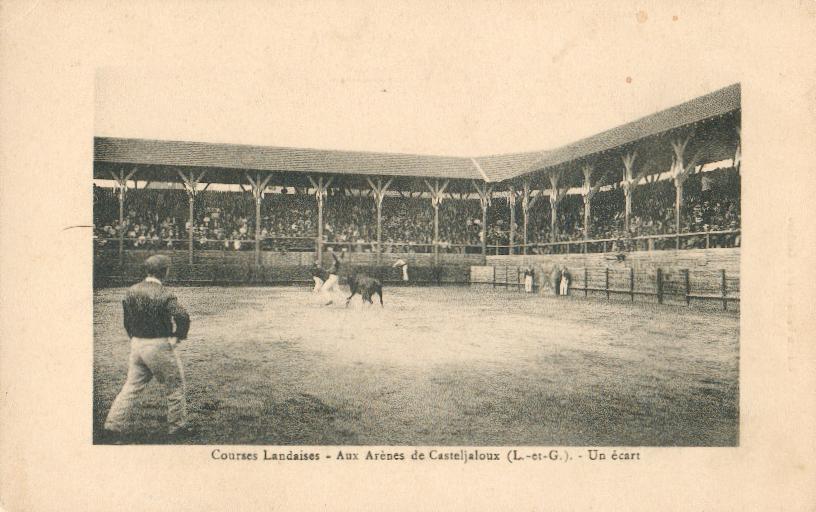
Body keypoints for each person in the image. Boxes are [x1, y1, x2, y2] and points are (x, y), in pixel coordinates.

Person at [103, 255, 193, 440]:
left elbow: (127, 321)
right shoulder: (164, 293)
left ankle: (112, 426)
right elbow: (182, 316)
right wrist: (178, 336)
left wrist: (134, 337)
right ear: (164, 272)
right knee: (175, 386)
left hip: (137, 344)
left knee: (132, 386)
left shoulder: (131, 291)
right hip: (158, 345)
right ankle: (178, 427)